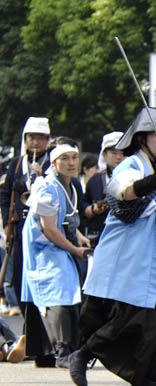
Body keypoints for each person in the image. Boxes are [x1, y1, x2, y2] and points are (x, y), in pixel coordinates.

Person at [68, 107, 156, 386]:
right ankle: (84, 353)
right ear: (143, 138)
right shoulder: (130, 165)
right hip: (129, 254)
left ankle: (146, 372)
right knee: (136, 315)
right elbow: (125, 193)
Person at [21, 139, 91, 368]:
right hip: (42, 246)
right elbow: (49, 228)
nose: (71, 163)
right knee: (58, 290)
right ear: (54, 162)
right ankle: (61, 349)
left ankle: (45, 352)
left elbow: (67, 218)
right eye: (64, 159)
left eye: (74, 158)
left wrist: (78, 235)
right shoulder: (47, 187)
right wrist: (73, 249)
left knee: (65, 289)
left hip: (55, 242)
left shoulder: (69, 185)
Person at [0, 117, 52, 315]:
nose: (36, 142)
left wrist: (41, 176)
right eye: (32, 138)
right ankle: (26, 318)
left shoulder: (51, 163)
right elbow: (5, 196)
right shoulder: (16, 163)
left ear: (47, 140)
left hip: (45, 229)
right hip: (21, 228)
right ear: (25, 139)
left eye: (40, 138)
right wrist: (8, 222)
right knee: (20, 275)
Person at [83, 131, 124, 244]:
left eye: (122, 153)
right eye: (114, 153)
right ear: (104, 155)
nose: (119, 157)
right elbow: (83, 205)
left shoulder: (134, 178)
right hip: (100, 236)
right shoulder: (95, 180)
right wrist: (93, 209)